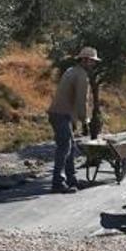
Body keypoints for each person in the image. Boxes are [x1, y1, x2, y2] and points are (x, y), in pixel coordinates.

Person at [48, 47, 100, 194]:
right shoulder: (81, 75)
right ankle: (57, 182)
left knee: (69, 147)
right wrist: (85, 121)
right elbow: (81, 101)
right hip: (61, 114)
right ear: (86, 60)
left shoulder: (71, 70)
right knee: (64, 148)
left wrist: (76, 120)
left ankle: (72, 180)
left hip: (59, 113)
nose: (93, 64)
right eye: (92, 61)